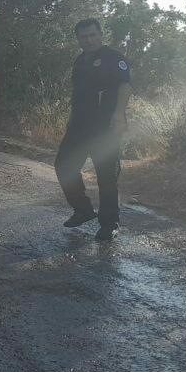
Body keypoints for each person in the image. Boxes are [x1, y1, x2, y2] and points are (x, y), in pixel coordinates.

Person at [55, 18, 131, 241]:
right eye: (83, 37)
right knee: (63, 165)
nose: (88, 40)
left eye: (92, 35)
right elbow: (78, 96)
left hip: (105, 127)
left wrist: (119, 115)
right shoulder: (80, 61)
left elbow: (125, 86)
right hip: (79, 126)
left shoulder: (114, 58)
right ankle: (83, 209)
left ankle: (110, 224)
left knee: (106, 176)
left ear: (100, 34)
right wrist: (70, 120)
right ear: (78, 39)